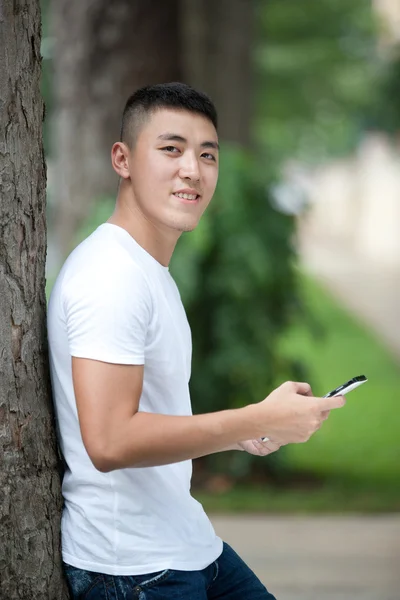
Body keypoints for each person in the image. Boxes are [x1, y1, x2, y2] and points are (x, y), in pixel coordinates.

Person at [47, 82, 345, 599]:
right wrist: (257, 418)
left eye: (207, 154)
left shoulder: (146, 269)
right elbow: (110, 441)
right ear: (123, 158)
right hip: (134, 570)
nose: (193, 169)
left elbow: (153, 417)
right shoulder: (110, 277)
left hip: (188, 543)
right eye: (170, 149)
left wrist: (243, 433)